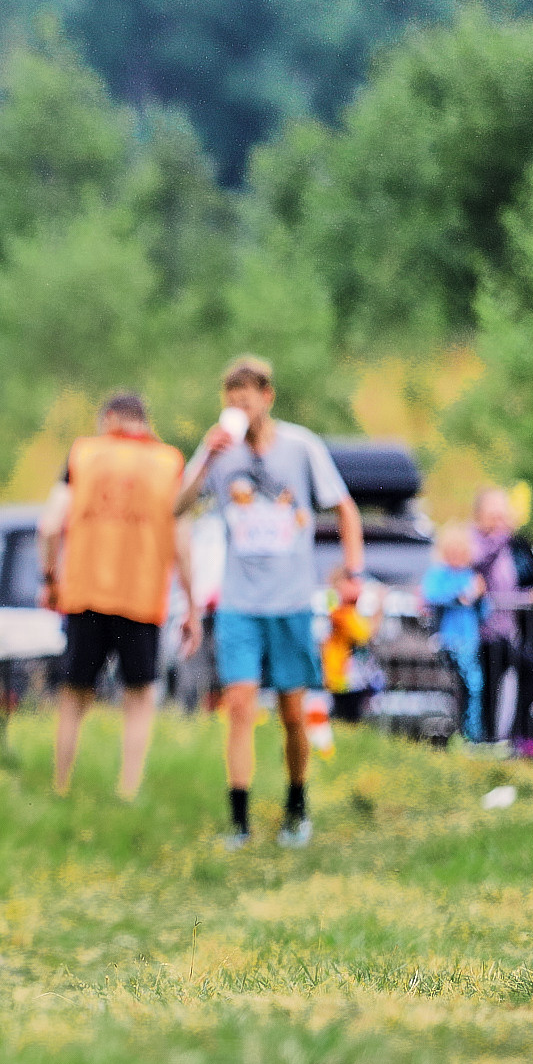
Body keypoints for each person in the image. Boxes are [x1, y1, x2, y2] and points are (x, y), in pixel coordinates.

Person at [176, 355, 362, 850]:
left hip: (291, 602)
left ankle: (296, 806)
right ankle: (238, 821)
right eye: (230, 400)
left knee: (292, 714)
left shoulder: (301, 448)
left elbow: (345, 508)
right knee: (238, 706)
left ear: (267, 397)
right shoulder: (219, 452)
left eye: (246, 399)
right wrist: (207, 460)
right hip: (239, 603)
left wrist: (353, 571)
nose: (238, 407)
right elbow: (176, 506)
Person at [37, 392, 199, 799]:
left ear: (109, 418)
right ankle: (128, 789)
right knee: (139, 696)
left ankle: (61, 784)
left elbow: (49, 526)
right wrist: (193, 603)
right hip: (141, 597)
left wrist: (50, 577)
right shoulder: (169, 463)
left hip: (85, 594)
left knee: (74, 694)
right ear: (143, 421)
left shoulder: (84, 455)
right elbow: (182, 543)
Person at [469, 487, 533, 743]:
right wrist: (501, 534)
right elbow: (481, 563)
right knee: (487, 690)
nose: (499, 521)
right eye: (493, 515)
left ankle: (514, 733)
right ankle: (485, 741)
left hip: (504, 633)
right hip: (480, 634)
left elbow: (508, 588)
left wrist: (532, 594)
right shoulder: (474, 541)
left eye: (502, 515)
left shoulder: (509, 546)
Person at [424, 523, 488, 740]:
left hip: (469, 641)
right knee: (452, 689)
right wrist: (459, 596)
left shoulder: (471, 575)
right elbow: (432, 595)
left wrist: (479, 597)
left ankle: (472, 735)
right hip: (448, 640)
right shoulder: (439, 574)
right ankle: (450, 733)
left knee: (474, 687)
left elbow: (485, 611)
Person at [321, 566, 375, 724]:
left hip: (354, 674)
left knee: (352, 712)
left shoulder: (352, 608)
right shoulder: (337, 607)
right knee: (343, 712)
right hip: (340, 672)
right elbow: (360, 633)